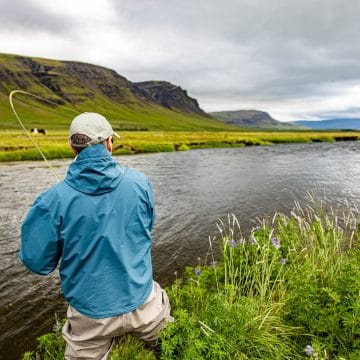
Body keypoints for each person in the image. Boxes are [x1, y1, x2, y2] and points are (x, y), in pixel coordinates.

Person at [19, 112, 173, 359]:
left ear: (72, 147)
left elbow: (37, 262)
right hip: (144, 303)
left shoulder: (52, 200)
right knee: (173, 348)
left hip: (90, 315)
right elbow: (147, 227)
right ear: (109, 143)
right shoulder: (140, 182)